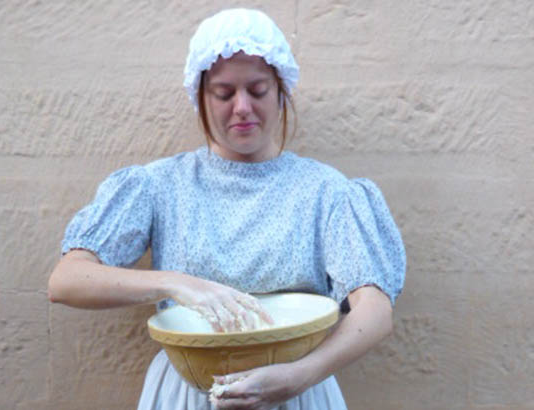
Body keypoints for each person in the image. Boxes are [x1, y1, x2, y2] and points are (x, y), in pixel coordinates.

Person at [48, 8, 406, 410]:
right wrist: (176, 283)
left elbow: (375, 310)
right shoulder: (160, 186)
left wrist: (299, 376)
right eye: (223, 93)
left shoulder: (327, 192)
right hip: (188, 396)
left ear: (281, 92)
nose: (241, 107)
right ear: (199, 95)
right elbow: (66, 280)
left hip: (299, 392)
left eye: (257, 90)